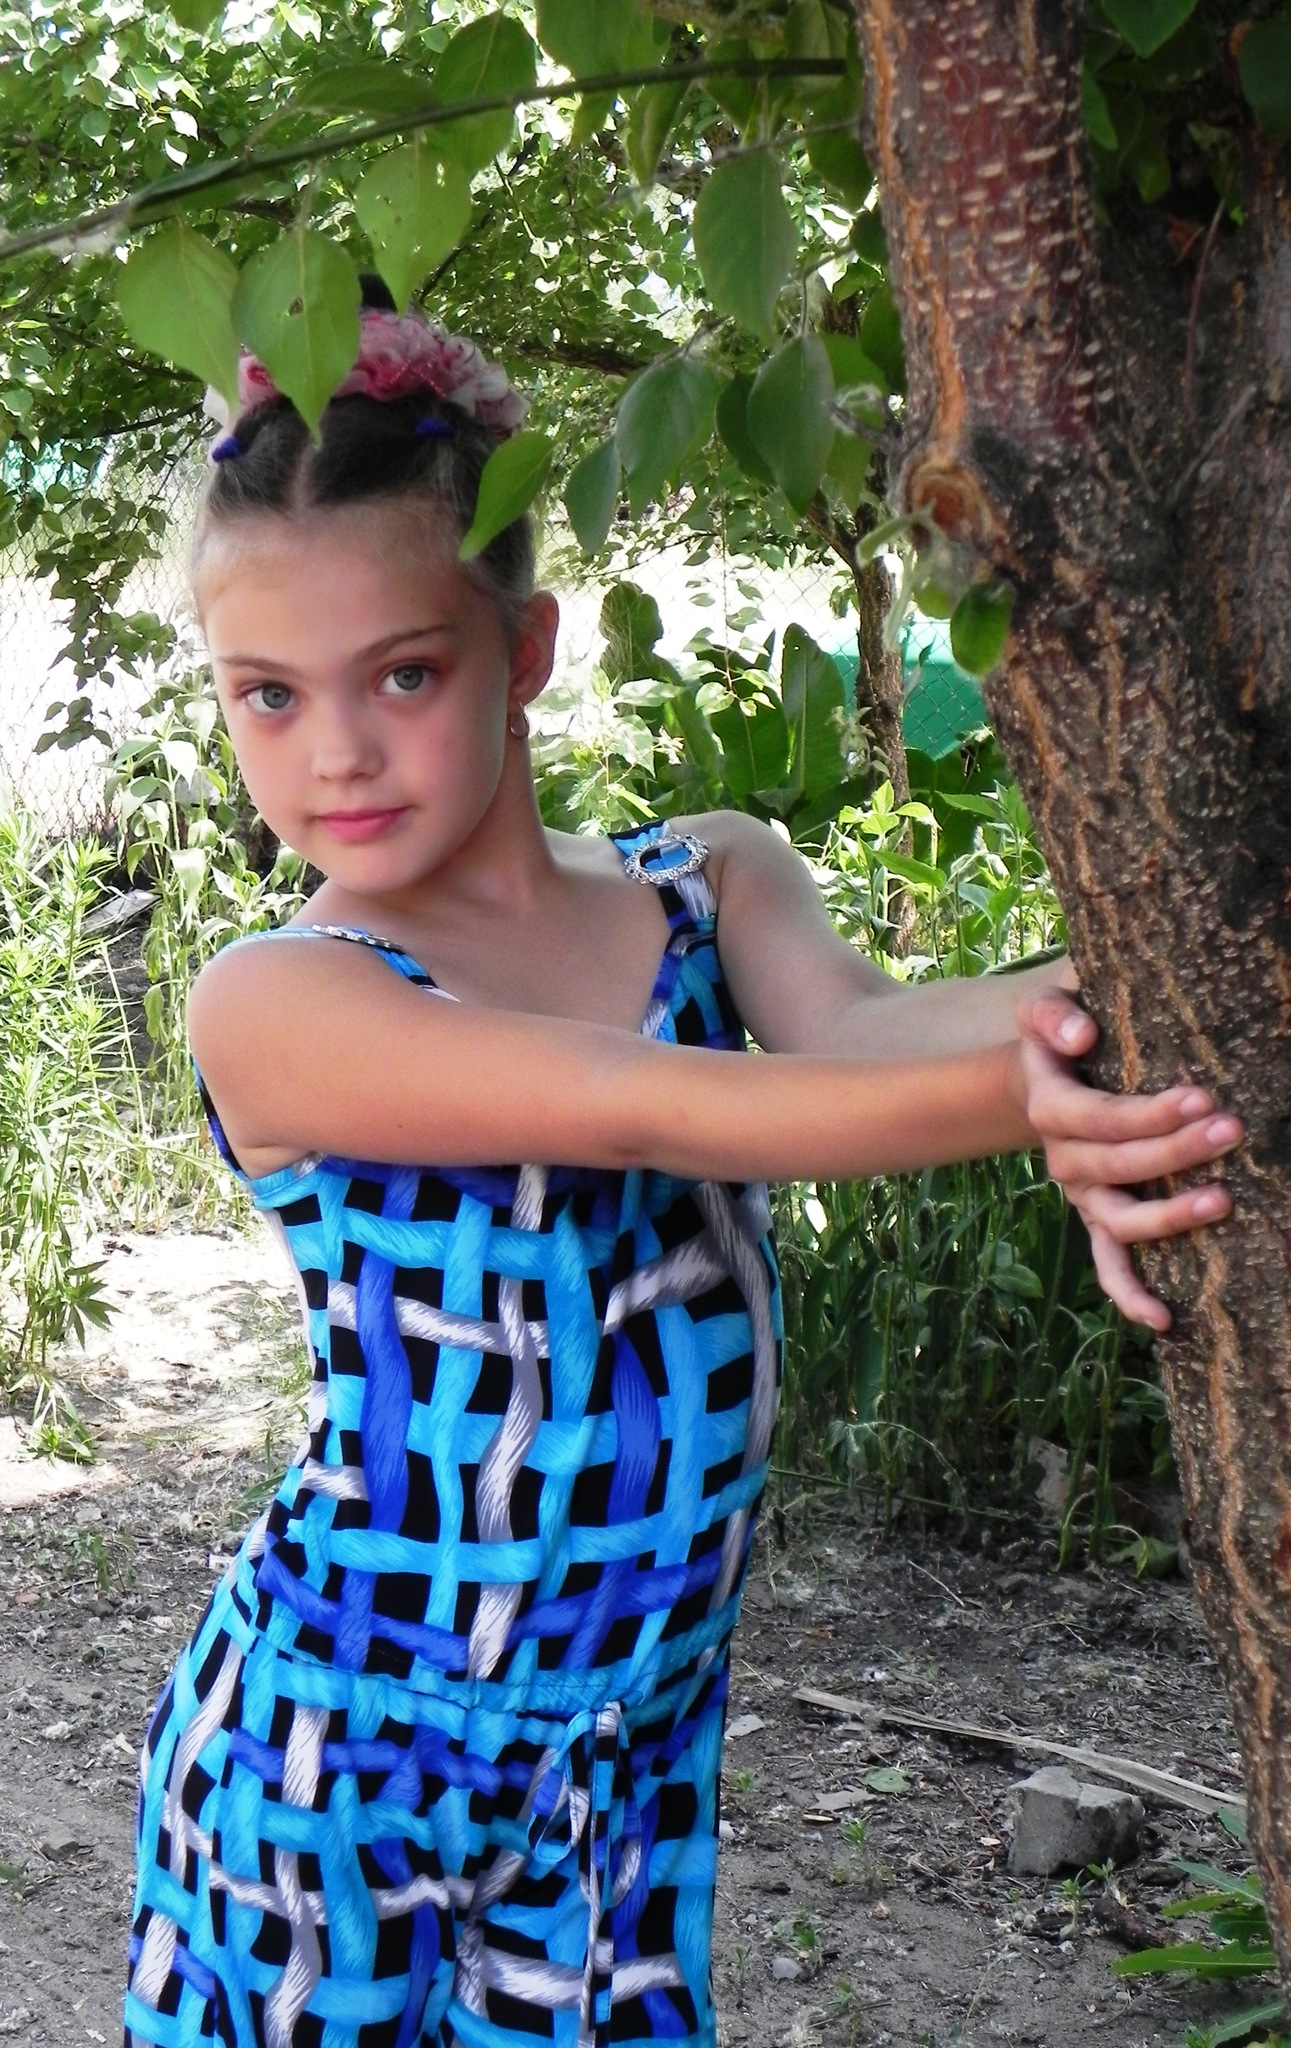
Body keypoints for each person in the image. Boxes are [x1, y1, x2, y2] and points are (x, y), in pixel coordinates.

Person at [124, 294, 1241, 2048]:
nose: (334, 753)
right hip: (333, 1761)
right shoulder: (282, 998)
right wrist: (1037, 1102)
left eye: (403, 674)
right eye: (269, 694)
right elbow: (643, 1106)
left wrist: (1140, 1016)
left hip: (626, 1759)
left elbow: (859, 1038)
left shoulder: (707, 880)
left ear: (526, 647)